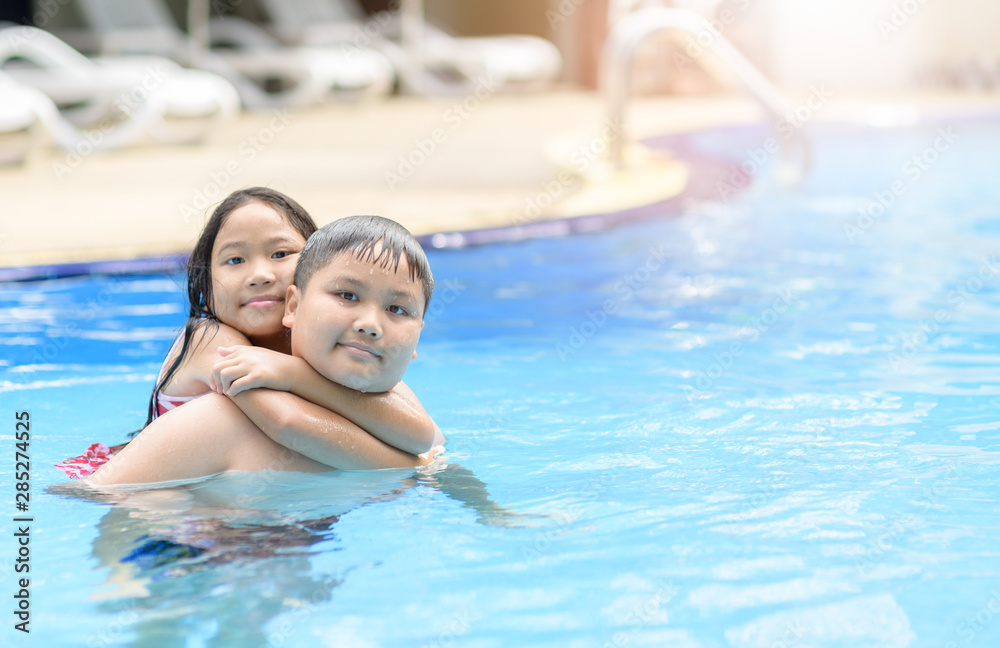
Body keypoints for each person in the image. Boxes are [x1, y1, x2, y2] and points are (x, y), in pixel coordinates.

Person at [57, 188, 436, 478]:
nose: (260, 275)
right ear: (207, 286)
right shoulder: (212, 340)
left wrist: (291, 371)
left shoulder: (327, 344)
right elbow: (287, 422)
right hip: (150, 495)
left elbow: (422, 431)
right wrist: (409, 471)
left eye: (280, 254)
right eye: (235, 260)